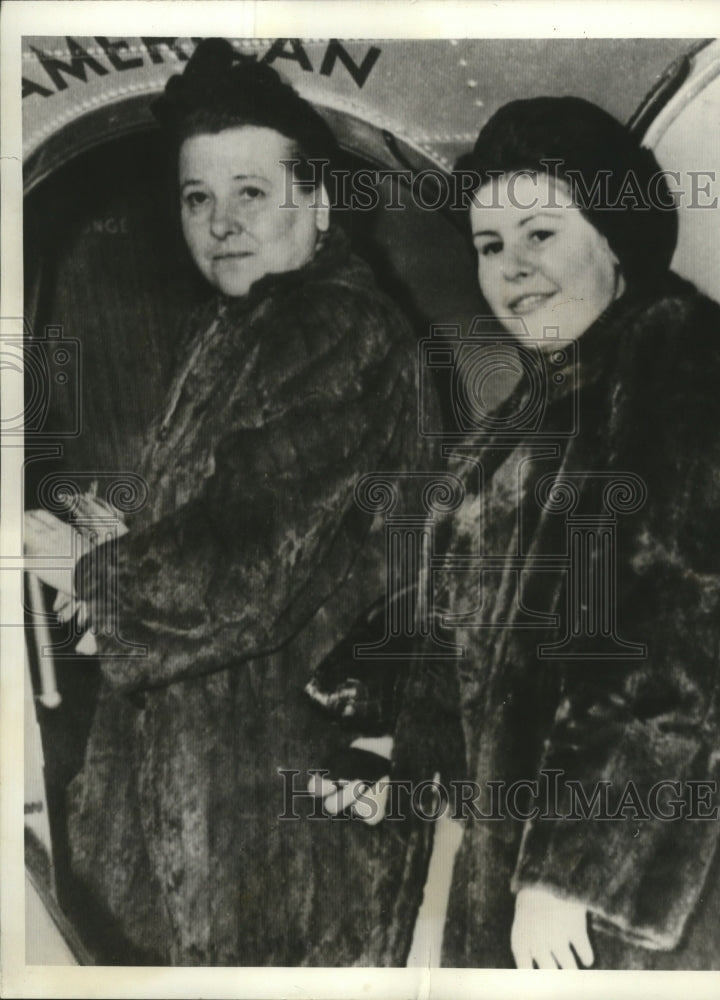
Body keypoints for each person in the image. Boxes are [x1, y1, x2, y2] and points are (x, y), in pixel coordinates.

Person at [24, 38, 434, 966]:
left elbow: (247, 565)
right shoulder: (245, 327)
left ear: (318, 204)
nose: (220, 222)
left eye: (251, 192)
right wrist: (117, 544)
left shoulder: (335, 326)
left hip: (275, 836)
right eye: (197, 197)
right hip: (211, 809)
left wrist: (89, 569)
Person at [366, 96, 720, 969]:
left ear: (614, 234)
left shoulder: (678, 361)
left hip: (613, 900)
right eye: (490, 247)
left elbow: (665, 648)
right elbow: (471, 629)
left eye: (540, 234)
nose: (511, 268)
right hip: (516, 864)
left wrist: (570, 875)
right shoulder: (540, 405)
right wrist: (391, 745)